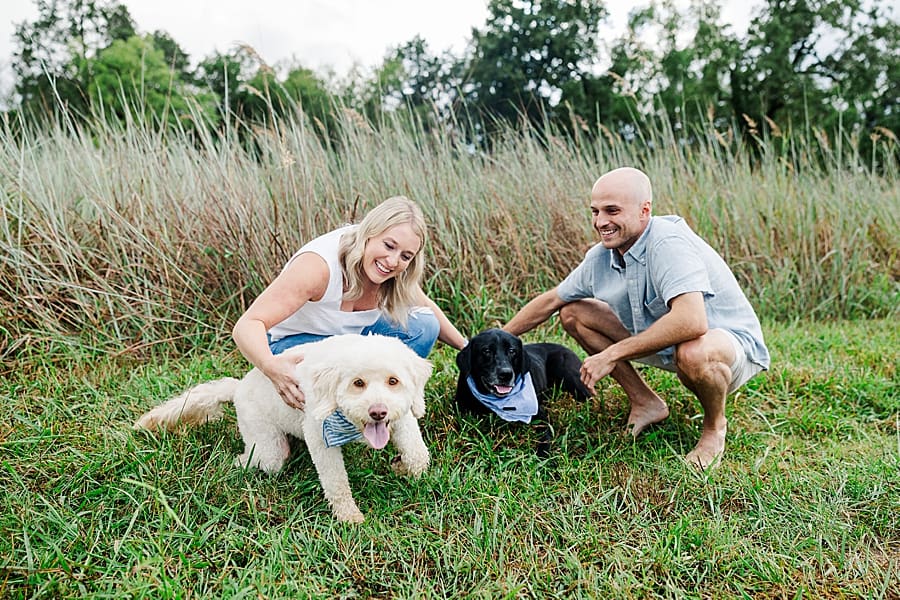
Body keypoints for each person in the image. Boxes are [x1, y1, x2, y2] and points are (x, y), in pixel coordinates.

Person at [503, 167, 770, 468]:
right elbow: (552, 300)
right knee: (574, 312)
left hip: (726, 350)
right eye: (595, 211)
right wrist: (492, 341)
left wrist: (611, 354)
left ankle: (714, 427)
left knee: (693, 351)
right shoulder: (603, 254)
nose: (601, 222)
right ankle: (646, 402)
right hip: (667, 344)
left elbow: (693, 322)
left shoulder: (667, 243)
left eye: (612, 211)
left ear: (645, 210)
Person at [233, 196, 467, 409]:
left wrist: (468, 348)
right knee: (336, 361)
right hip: (293, 346)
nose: (393, 261)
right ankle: (330, 415)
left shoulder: (396, 271)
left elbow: (426, 306)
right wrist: (269, 366)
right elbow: (248, 323)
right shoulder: (317, 267)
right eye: (389, 245)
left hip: (347, 343)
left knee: (423, 326)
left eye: (406, 256)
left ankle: (381, 400)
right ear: (368, 233)